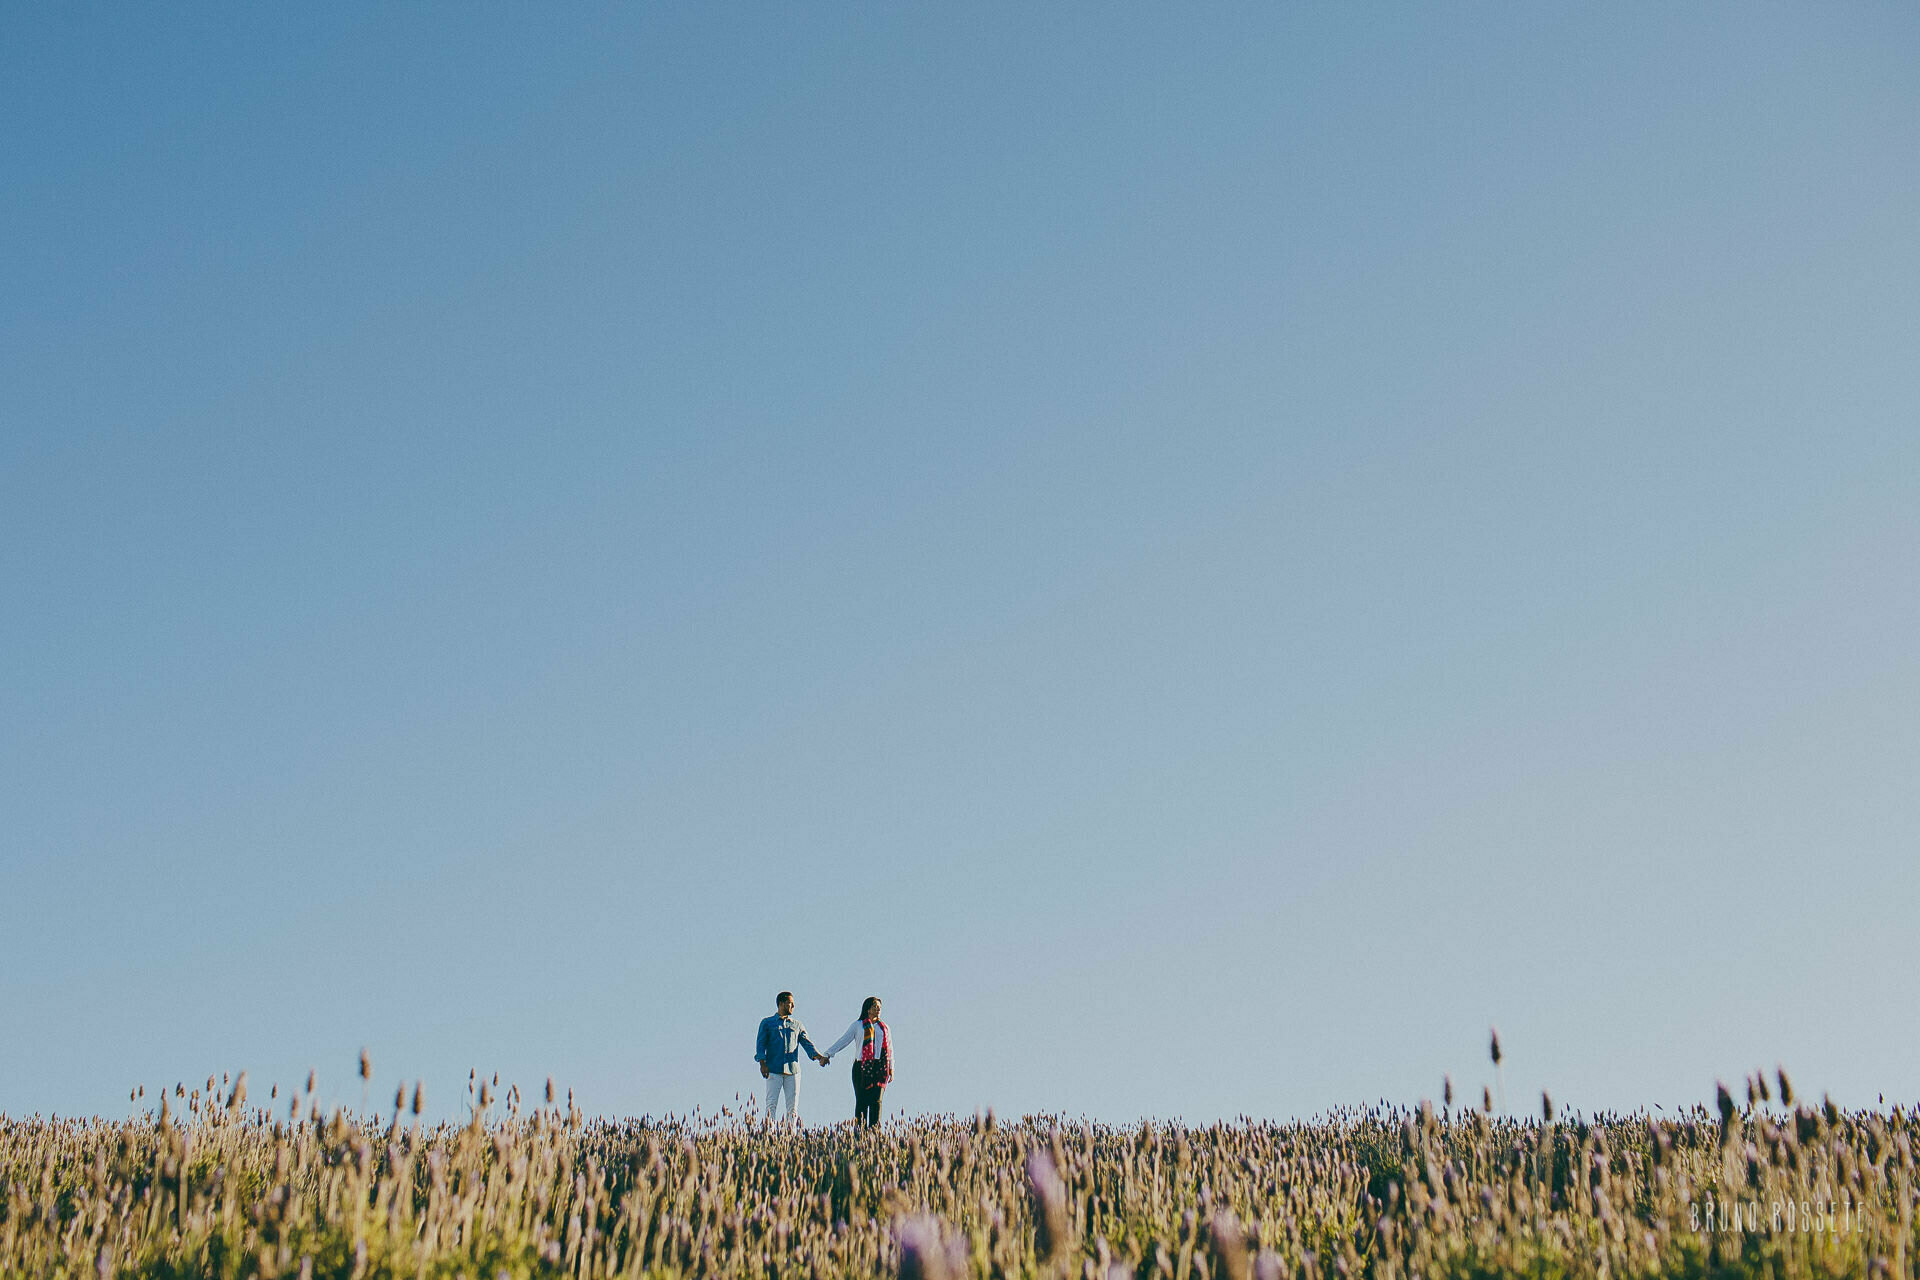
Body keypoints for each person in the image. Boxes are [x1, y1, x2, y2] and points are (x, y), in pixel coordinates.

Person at [754, 991, 826, 1125]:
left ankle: (790, 1135)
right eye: (790, 1003)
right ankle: (769, 1133)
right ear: (781, 1003)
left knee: (792, 1107)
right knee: (771, 1104)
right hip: (773, 1069)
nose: (793, 1006)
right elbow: (760, 1045)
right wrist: (762, 1063)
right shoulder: (767, 1023)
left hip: (793, 1071)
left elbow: (807, 1043)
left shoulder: (797, 1025)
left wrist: (818, 1057)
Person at [820, 996, 893, 1126]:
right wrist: (828, 1054)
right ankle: (860, 1134)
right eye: (875, 1006)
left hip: (880, 1067)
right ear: (868, 1009)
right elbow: (843, 1040)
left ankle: (874, 1134)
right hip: (862, 1067)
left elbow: (890, 1048)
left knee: (877, 1101)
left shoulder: (884, 1028)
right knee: (862, 1101)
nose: (878, 1009)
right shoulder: (858, 1025)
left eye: (879, 1007)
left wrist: (891, 1068)